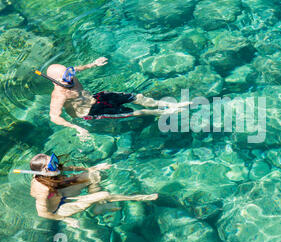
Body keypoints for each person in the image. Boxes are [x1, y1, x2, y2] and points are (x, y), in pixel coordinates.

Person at [46, 57, 190, 139]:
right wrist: (76, 128)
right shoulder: (58, 95)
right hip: (90, 112)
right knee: (135, 112)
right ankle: (163, 112)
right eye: (66, 77)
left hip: (97, 98)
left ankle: (169, 104)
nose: (70, 77)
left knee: (135, 97)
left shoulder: (69, 74)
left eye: (69, 73)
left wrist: (93, 64)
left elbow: (77, 68)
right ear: (55, 81)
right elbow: (54, 117)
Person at [28, 153, 158, 228]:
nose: (57, 164)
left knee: (94, 175)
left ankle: (98, 205)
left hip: (63, 192)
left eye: (54, 159)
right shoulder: (42, 189)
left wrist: (92, 168)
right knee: (104, 194)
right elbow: (42, 213)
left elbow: (70, 168)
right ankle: (138, 198)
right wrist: (65, 219)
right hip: (61, 207)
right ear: (45, 170)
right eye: (52, 164)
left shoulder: (53, 169)